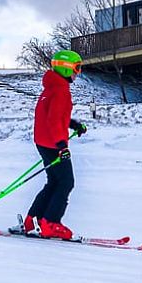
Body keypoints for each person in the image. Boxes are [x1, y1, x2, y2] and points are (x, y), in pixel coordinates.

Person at [22, 50, 87, 239]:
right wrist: (62, 146)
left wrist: (73, 124)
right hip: (53, 143)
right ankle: (51, 223)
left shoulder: (51, 87)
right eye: (77, 68)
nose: (78, 72)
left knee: (54, 182)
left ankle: (33, 220)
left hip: (43, 142)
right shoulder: (60, 90)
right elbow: (53, 120)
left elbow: (56, 116)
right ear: (66, 68)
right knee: (66, 182)